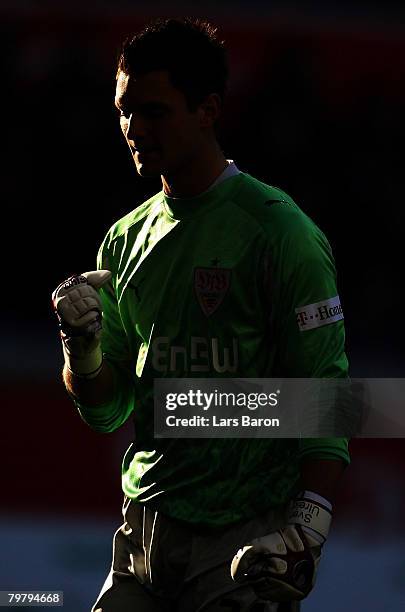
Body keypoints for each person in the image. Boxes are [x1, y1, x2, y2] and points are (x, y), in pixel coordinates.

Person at [52, 18, 350, 612]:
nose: (133, 129)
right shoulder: (122, 241)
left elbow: (327, 394)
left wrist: (308, 529)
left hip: (242, 545)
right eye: (123, 111)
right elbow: (109, 410)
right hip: (142, 533)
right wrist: (81, 351)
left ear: (208, 110)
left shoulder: (280, 231)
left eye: (153, 112)